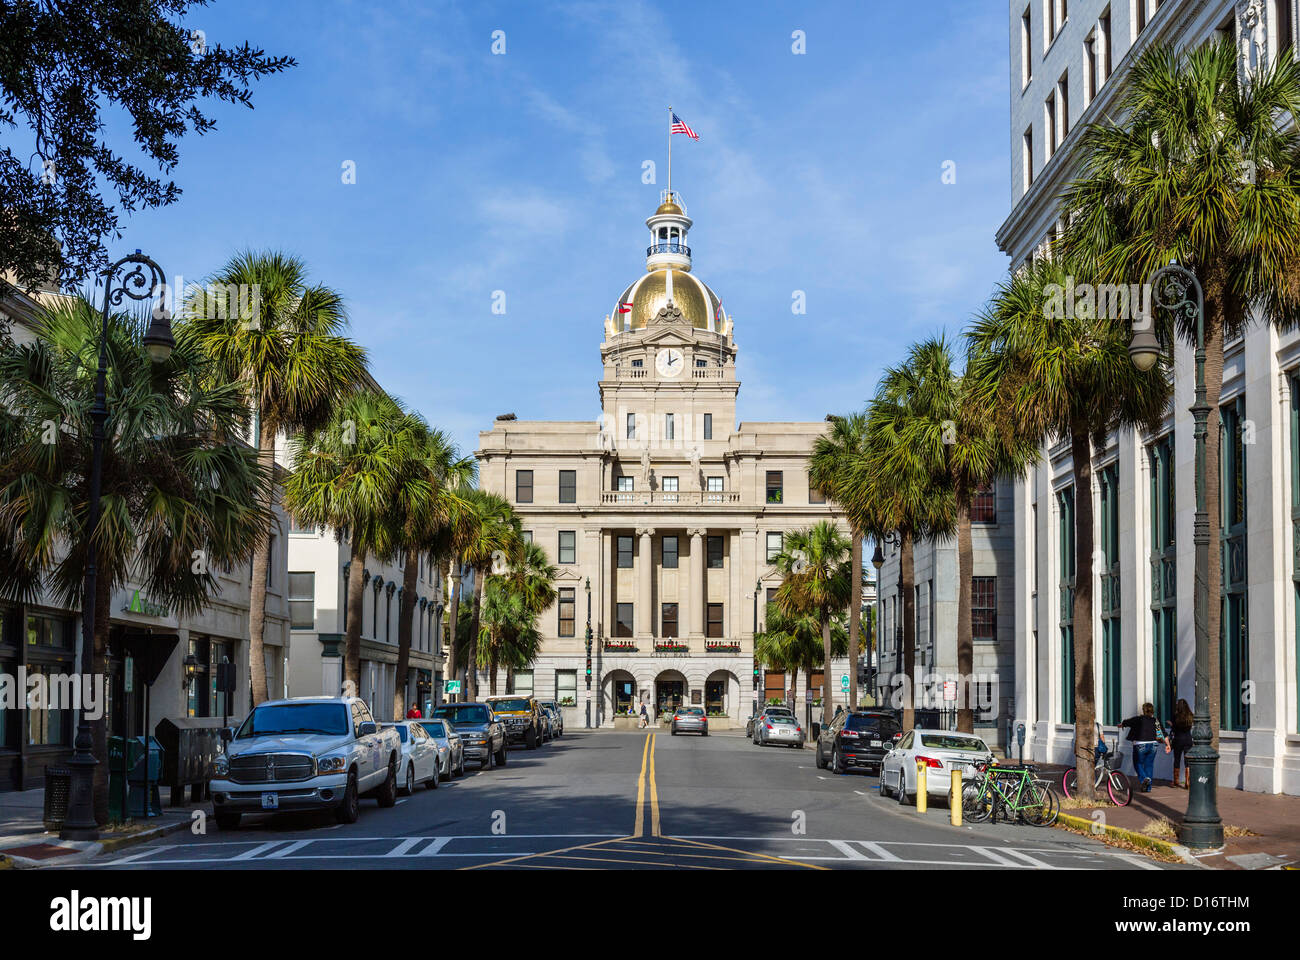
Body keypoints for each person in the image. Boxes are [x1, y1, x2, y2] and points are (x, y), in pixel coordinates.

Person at [1118, 702, 1170, 792]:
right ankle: (1148, 788)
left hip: (1140, 744)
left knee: (1137, 763)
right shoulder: (1155, 720)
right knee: (1149, 765)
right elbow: (1163, 733)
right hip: (1153, 745)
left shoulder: (1138, 719)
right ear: (1152, 710)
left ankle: (1144, 778)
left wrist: (1121, 725)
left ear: (1143, 710)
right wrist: (1168, 745)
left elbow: (1127, 722)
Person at [1168, 698, 1194, 789]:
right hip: (1188, 739)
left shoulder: (1176, 716)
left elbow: (1174, 729)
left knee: (1177, 759)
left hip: (1178, 740)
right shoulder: (1190, 715)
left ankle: (1176, 782)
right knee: (1188, 760)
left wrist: (1171, 725)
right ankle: (1188, 782)